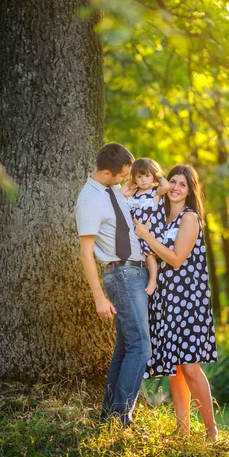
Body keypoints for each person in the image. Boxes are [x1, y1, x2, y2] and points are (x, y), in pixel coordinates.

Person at [134, 165, 218, 441]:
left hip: (188, 301)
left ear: (190, 190)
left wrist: (146, 236)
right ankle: (183, 433)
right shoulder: (163, 216)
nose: (177, 187)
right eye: (173, 181)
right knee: (175, 368)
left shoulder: (189, 217)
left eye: (183, 183)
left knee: (191, 367)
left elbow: (176, 258)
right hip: (166, 301)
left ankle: (211, 431)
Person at [75, 142, 151, 426]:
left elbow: (124, 196)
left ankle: (109, 413)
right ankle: (121, 417)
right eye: (122, 175)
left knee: (125, 346)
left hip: (134, 272)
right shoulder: (89, 200)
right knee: (141, 346)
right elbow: (86, 252)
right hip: (122, 275)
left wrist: (124, 190)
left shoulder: (112, 192)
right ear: (107, 172)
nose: (126, 180)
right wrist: (98, 297)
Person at [121, 157, 169, 296]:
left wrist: (157, 176)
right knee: (142, 257)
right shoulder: (134, 193)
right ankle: (146, 279)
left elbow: (166, 186)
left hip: (152, 231)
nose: (143, 180)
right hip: (137, 233)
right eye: (139, 177)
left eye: (147, 176)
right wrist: (132, 179)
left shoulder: (155, 192)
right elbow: (121, 192)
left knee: (150, 255)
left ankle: (153, 280)